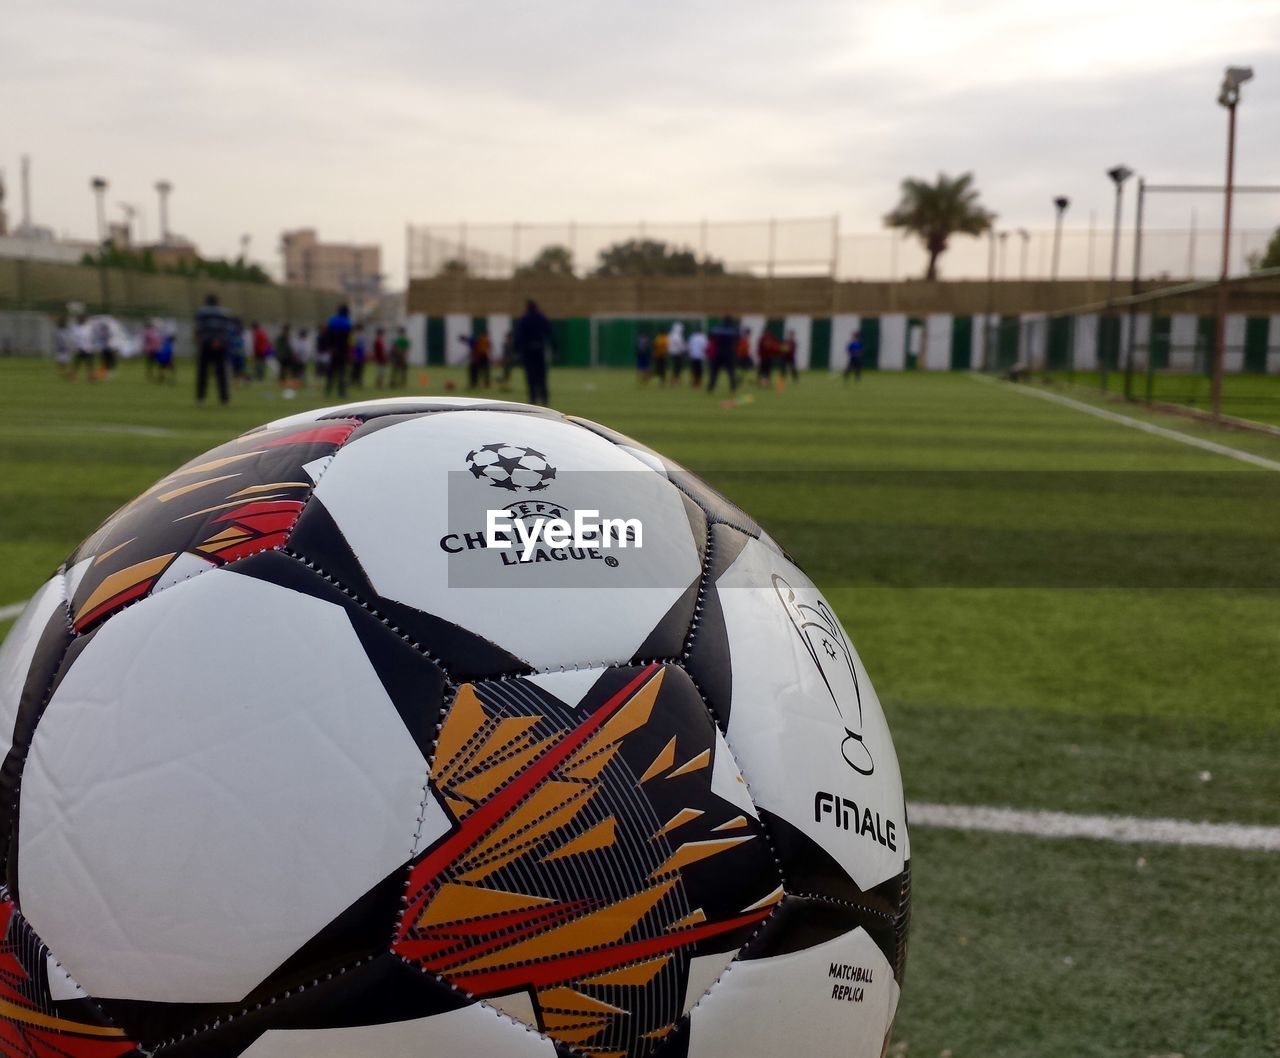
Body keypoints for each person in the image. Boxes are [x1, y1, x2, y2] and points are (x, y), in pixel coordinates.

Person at [514, 299, 554, 406]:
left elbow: (519, 335)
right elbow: (549, 331)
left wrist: (517, 349)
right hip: (539, 350)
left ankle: (533, 398)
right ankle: (544, 398)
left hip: (528, 351)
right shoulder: (541, 317)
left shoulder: (524, 319)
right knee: (542, 375)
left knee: (530, 375)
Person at [195, 294, 233, 405]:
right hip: (220, 345)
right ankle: (224, 398)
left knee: (203, 372)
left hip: (206, 344)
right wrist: (218, 340)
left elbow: (199, 329)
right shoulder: (223, 313)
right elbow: (226, 330)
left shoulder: (202, 312)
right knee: (221, 373)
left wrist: (200, 341)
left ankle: (201, 398)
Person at [325, 304, 353, 397]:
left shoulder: (332, 320)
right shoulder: (347, 322)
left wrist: (330, 348)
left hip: (333, 349)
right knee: (342, 371)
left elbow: (328, 336)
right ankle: (341, 392)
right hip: (343, 350)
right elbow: (348, 337)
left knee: (331, 371)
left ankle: (328, 391)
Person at [707, 315, 740, 394]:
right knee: (731, 372)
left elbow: (711, 336)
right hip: (729, 353)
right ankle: (733, 387)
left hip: (719, 352)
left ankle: (711, 386)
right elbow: (738, 339)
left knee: (714, 371)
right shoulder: (734, 329)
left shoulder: (718, 328)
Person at [71, 314, 95, 380]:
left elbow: (91, 337)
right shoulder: (76, 328)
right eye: (81, 319)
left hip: (88, 348)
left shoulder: (88, 327)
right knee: (77, 363)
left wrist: (91, 346)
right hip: (80, 348)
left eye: (83, 319)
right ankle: (73, 376)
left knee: (89, 363)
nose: (82, 320)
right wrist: (76, 347)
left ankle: (90, 376)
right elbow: (75, 338)